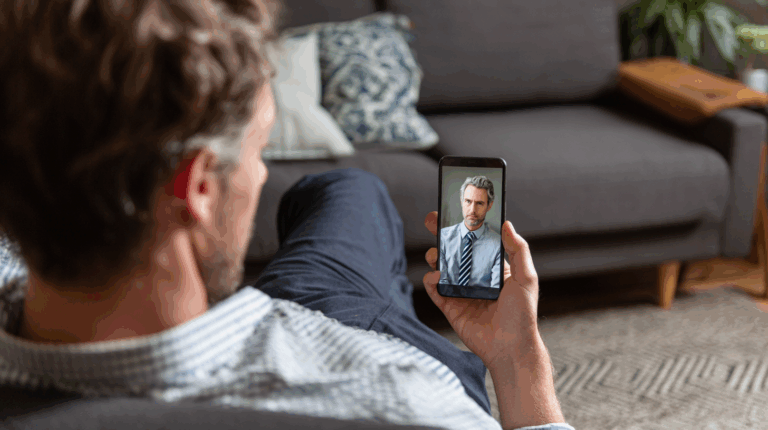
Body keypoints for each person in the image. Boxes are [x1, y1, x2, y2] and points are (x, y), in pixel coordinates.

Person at [0, 1, 573, 429]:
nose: (261, 174)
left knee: (347, 190)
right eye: (257, 151)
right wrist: (518, 361)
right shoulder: (401, 397)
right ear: (197, 185)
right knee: (352, 191)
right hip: (341, 332)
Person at [440, 176, 502, 289]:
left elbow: (495, 289)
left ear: (489, 205)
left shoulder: (498, 244)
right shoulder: (443, 237)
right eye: (468, 201)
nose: (472, 210)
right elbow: (442, 283)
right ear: (461, 201)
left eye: (479, 203)